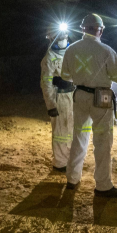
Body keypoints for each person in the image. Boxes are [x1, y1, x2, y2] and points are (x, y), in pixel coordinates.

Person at [59, 13, 117, 197]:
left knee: (79, 137)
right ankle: (103, 185)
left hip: (80, 95)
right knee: (102, 140)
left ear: (82, 29)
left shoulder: (71, 49)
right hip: (101, 97)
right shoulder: (106, 51)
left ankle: (72, 179)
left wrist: (82, 76)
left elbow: (65, 75)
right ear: (101, 30)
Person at [41, 25, 74, 172]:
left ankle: (71, 159)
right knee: (60, 132)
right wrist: (51, 105)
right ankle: (60, 163)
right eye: (58, 35)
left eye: (64, 34)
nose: (62, 37)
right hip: (59, 97)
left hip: (73, 96)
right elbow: (46, 83)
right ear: (51, 37)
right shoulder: (49, 58)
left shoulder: (72, 53)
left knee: (72, 129)